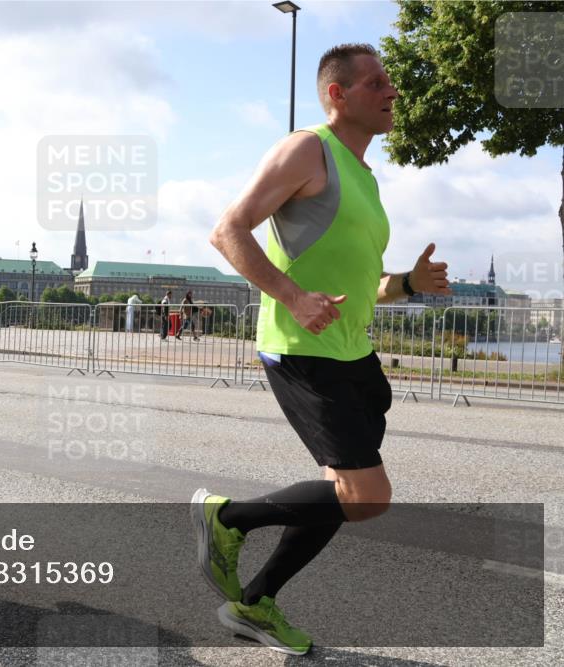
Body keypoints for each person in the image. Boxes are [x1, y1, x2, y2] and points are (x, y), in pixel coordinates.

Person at [192, 44, 450, 655]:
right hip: (303, 351)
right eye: (375, 83)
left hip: (352, 354)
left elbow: (362, 285)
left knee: (342, 494)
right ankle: (226, 520)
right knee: (367, 497)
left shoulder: (363, 176)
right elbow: (227, 230)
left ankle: (255, 603)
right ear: (337, 95)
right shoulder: (308, 149)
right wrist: (292, 296)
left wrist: (408, 284)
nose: (391, 91)